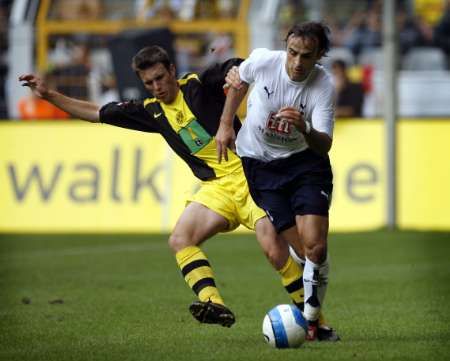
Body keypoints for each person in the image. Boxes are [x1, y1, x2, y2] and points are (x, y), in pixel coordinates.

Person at [19, 46, 308, 330]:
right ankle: (213, 303)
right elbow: (95, 111)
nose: (156, 87)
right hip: (217, 187)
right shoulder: (151, 112)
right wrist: (49, 96)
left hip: (251, 176)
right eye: (149, 83)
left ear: (172, 70)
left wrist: (236, 74)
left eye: (160, 78)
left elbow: (240, 67)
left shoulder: (198, 86)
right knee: (180, 239)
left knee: (274, 251)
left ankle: (314, 320)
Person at [216, 22, 338, 341]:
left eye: (307, 56)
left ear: (319, 56)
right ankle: (313, 276)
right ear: (286, 47)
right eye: (293, 53)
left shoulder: (323, 85)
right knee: (300, 249)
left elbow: (324, 143)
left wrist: (305, 128)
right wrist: (226, 124)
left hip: (304, 164)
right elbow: (238, 81)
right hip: (260, 166)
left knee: (316, 245)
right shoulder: (264, 61)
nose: (297, 62)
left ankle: (311, 321)